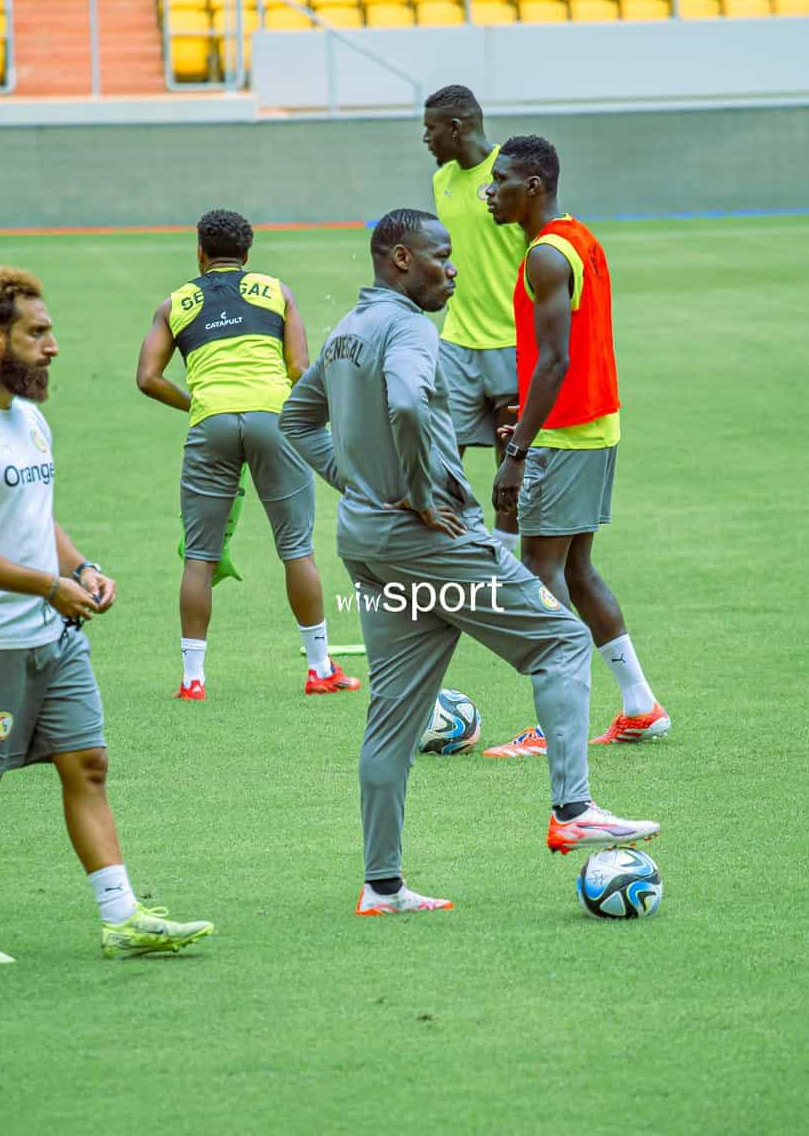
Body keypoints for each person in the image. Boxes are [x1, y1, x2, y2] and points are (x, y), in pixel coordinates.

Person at [279, 208, 660, 916]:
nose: (452, 268)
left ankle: (382, 885)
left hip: (366, 544)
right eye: (441, 255)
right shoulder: (409, 328)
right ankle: (573, 807)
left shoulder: (343, 334)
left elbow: (295, 420)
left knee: (393, 717)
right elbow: (408, 404)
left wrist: (362, 488)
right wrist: (420, 493)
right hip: (429, 540)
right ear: (400, 259)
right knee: (562, 639)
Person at [0, 266, 212, 963]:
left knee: (89, 764)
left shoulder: (31, 419)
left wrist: (79, 568)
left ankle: (121, 916)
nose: (53, 346)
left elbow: (36, 516)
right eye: (37, 332)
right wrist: (49, 587)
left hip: (54, 635)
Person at [484, 135, 671, 751]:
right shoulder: (577, 238)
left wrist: (518, 451)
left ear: (533, 186)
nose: (491, 191)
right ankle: (639, 704)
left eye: (502, 179)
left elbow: (556, 359)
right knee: (575, 568)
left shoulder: (545, 256)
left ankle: (553, 723)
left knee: (540, 571)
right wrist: (527, 419)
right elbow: (562, 356)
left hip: (567, 437)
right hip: (590, 426)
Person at [137, 208, 360, 700]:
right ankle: (320, 669)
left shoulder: (175, 302)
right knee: (296, 547)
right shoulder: (276, 291)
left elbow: (147, 378)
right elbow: (299, 366)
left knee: (199, 556)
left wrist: (195, 402)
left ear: (200, 252)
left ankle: (193, 679)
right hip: (274, 418)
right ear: (247, 255)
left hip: (211, 420)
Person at [423, 85, 527, 553]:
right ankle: (451, 546)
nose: (425, 138)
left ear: (456, 127)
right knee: (444, 449)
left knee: (511, 453)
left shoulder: (513, 169)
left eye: (430, 129)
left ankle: (504, 549)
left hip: (512, 338)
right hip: (457, 339)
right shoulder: (440, 180)